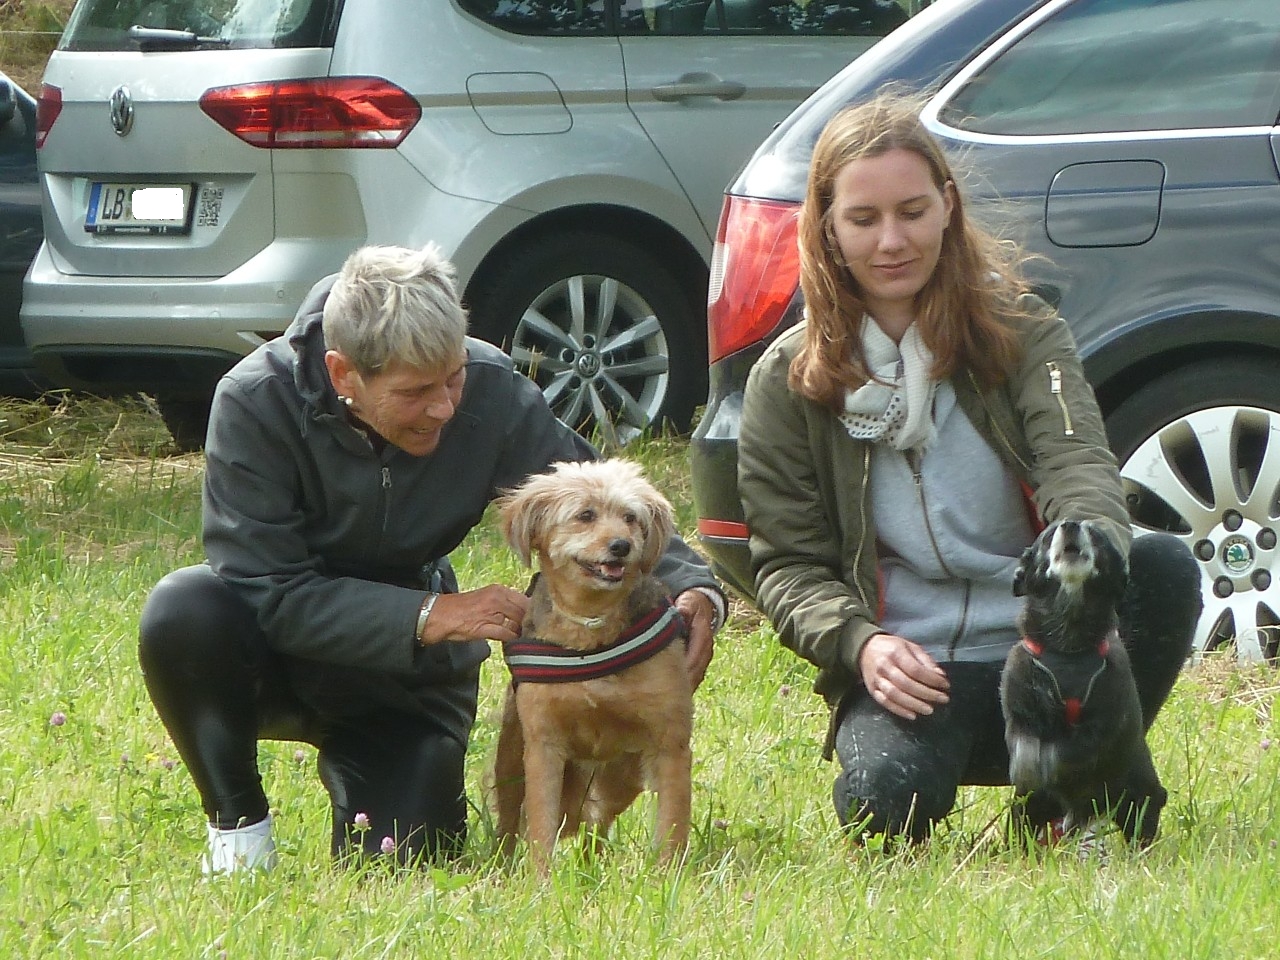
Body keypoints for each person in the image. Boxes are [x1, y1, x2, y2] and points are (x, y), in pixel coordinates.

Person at [139, 244, 724, 873]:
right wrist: (429, 615)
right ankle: (239, 827)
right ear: (343, 374)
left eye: (454, 377)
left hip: (404, 682)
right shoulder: (254, 401)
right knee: (185, 610)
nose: (445, 406)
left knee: (408, 855)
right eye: (416, 392)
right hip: (278, 654)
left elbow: (599, 492)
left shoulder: (495, 390)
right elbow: (266, 589)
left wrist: (696, 591)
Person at [736, 90, 1199, 842]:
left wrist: (1084, 544)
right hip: (919, 676)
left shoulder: (1023, 332)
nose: (892, 240)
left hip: (1047, 655)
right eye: (863, 219)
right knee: (883, 809)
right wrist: (864, 645)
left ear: (948, 207)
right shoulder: (786, 381)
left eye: (913, 211)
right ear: (826, 226)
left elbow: (1078, 462)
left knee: (1161, 567)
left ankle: (1064, 793)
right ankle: (1071, 779)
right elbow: (787, 567)